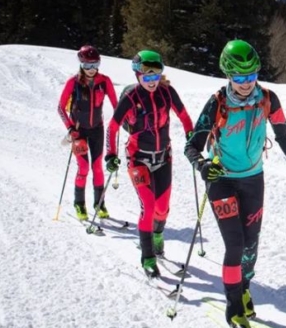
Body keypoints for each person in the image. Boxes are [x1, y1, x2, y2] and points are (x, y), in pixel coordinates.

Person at [184, 39, 286, 328]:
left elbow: (282, 134)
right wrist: (204, 166)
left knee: (251, 244)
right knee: (235, 244)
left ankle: (243, 288)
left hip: (253, 179)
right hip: (221, 180)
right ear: (228, 75)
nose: (246, 83)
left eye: (251, 75)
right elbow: (191, 146)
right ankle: (233, 308)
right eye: (239, 78)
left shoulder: (268, 98)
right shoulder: (217, 102)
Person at [104, 50, 193, 278]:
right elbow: (113, 127)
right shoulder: (131, 97)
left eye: (156, 76)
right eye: (147, 77)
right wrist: (110, 154)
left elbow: (184, 117)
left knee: (163, 208)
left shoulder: (167, 92)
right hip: (138, 159)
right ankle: (148, 257)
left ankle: (158, 236)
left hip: (163, 157)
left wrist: (192, 139)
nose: (152, 82)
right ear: (138, 75)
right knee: (149, 205)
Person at [57, 45, 118, 220]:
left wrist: (120, 119)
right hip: (78, 132)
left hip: (97, 130)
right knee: (83, 167)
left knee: (97, 167)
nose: (91, 70)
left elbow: (117, 105)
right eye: (87, 66)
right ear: (81, 65)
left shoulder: (104, 81)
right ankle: (79, 204)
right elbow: (60, 107)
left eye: (95, 65)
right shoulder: (73, 82)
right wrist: (70, 128)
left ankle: (99, 204)